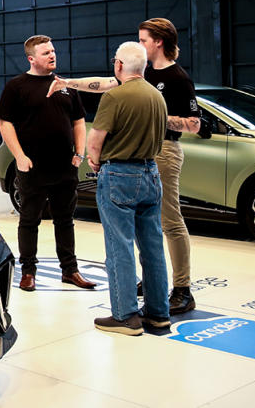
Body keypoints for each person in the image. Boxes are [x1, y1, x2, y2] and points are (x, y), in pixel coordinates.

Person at [48, 18, 202, 314]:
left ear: (158, 41)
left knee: (169, 221)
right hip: (137, 156)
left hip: (164, 151)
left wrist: (151, 116)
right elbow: (106, 83)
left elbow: (194, 123)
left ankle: (182, 287)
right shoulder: (141, 75)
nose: (139, 44)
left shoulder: (177, 78)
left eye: (143, 39)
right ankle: (154, 282)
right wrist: (67, 83)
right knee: (146, 225)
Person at [0, 35, 95, 292]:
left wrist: (79, 153)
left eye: (53, 51)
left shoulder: (66, 85)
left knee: (65, 220)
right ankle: (28, 272)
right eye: (45, 53)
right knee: (29, 220)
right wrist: (19, 156)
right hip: (32, 166)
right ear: (31, 58)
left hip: (64, 165)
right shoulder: (16, 86)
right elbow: (4, 123)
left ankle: (70, 270)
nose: (52, 56)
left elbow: (77, 121)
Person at [87, 41, 170, 335]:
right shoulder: (157, 96)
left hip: (120, 175)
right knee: (152, 247)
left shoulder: (115, 97)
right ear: (144, 66)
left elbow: (95, 140)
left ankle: (125, 316)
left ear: (119, 65)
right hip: (151, 172)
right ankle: (159, 313)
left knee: (119, 246)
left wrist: (93, 161)